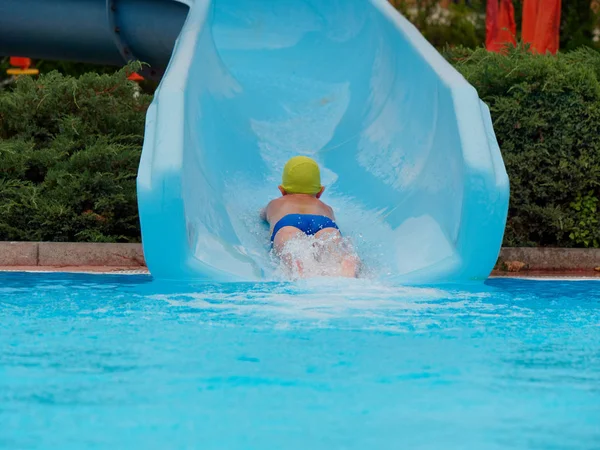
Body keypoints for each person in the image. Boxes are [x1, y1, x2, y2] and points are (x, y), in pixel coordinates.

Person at [261, 156, 359, 278]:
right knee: (334, 252)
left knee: (291, 253)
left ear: (282, 190)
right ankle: (347, 264)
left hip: (288, 223)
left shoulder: (275, 204)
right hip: (325, 224)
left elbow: (263, 215)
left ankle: (297, 265)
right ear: (320, 192)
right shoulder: (327, 208)